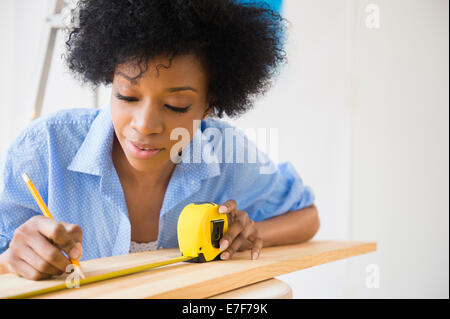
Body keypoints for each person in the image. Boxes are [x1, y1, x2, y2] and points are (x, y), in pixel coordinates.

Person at [0, 0, 319, 281]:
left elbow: (308, 217)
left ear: (209, 104)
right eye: (126, 96)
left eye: (175, 106)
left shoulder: (226, 154)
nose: (145, 125)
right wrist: (13, 259)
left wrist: (248, 235)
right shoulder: (45, 148)